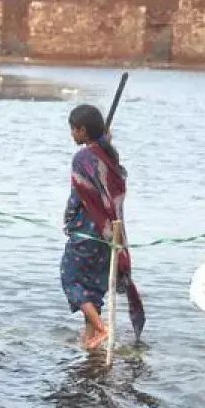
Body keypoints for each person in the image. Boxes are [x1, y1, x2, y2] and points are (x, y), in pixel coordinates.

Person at [59, 104, 145, 349]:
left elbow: (79, 194)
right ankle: (90, 340)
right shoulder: (109, 157)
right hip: (109, 236)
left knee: (71, 279)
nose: (72, 135)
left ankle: (102, 328)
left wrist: (68, 221)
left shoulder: (83, 158)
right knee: (93, 287)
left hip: (86, 233)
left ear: (83, 130)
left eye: (74, 130)